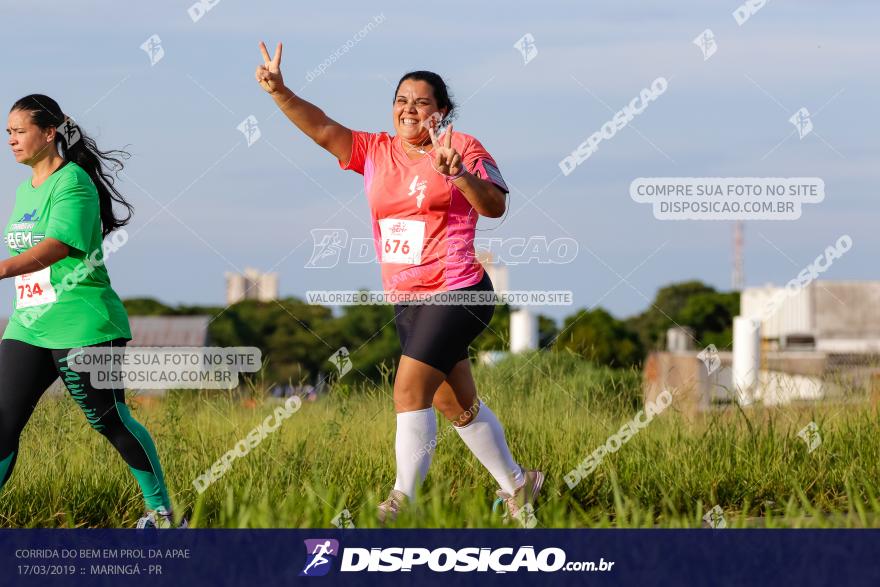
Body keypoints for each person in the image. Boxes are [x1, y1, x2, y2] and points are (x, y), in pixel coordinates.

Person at [256, 42, 543, 524]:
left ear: (442, 112)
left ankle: (399, 504)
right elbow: (323, 128)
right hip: (407, 301)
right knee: (456, 404)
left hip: (458, 291)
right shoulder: (375, 151)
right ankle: (519, 484)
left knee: (408, 389)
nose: (410, 110)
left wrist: (459, 175)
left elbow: (495, 207)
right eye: (402, 101)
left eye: (422, 102)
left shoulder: (465, 148)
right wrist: (280, 92)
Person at [1, 94, 180, 528]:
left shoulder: (74, 182)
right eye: (8, 132)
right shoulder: (29, 188)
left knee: (109, 419)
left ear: (49, 133)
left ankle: (163, 513)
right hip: (28, 324)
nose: (11, 140)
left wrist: (2, 268)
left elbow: (57, 247)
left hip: (83, 324)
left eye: (20, 131)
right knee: (3, 420)